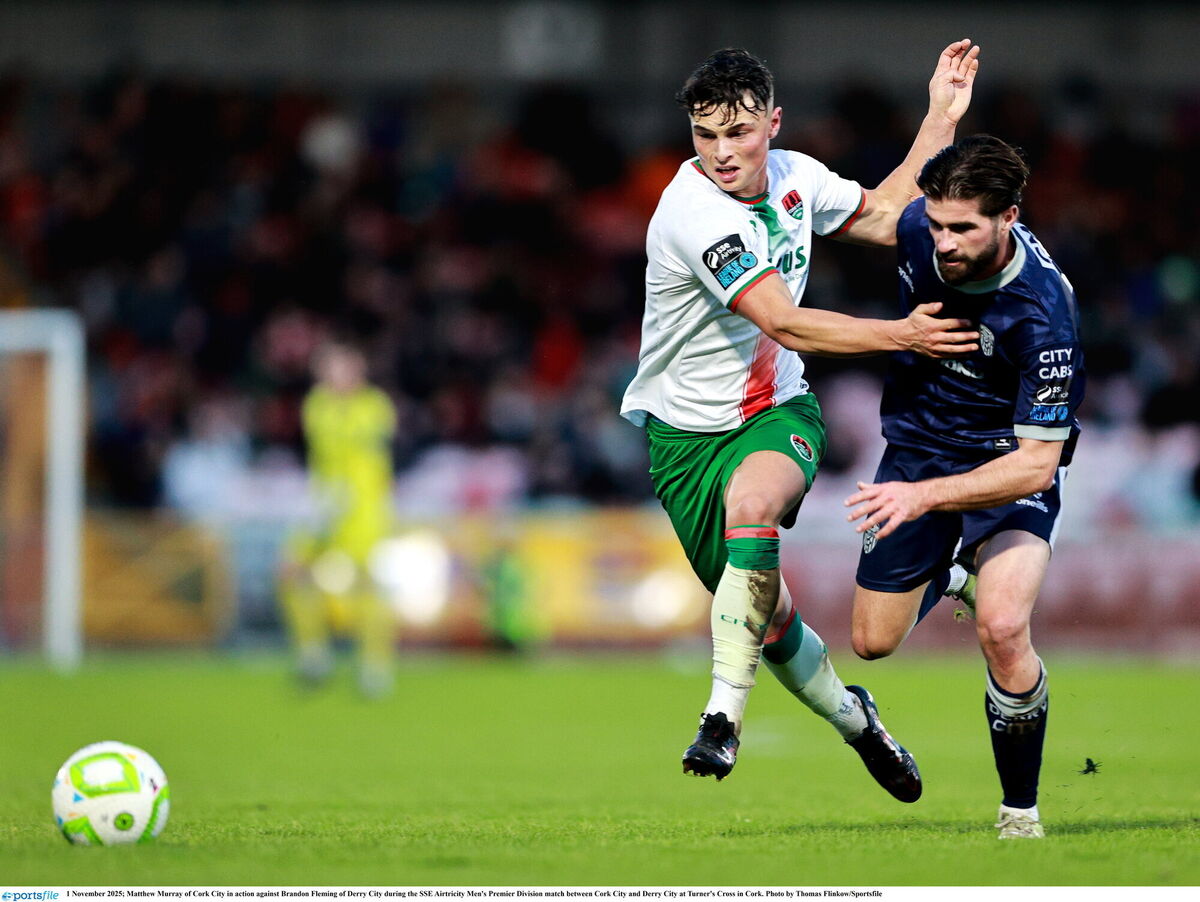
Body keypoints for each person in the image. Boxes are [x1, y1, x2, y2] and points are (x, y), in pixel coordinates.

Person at [619, 40, 981, 799]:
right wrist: (901, 335)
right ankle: (858, 721)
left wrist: (939, 116)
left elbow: (887, 216)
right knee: (769, 620)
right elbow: (783, 320)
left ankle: (721, 717)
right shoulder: (693, 214)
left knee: (752, 509)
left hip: (776, 413)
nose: (722, 152)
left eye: (739, 133)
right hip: (683, 445)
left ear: (773, 123)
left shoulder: (797, 178)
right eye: (705, 134)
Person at [845, 135, 1085, 837]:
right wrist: (939, 114)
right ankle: (954, 573)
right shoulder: (923, 224)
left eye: (963, 227)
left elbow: (1038, 465)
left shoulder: (1044, 317)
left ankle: (1019, 812)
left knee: (1005, 626)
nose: (942, 241)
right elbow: (863, 217)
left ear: (1008, 217)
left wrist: (923, 500)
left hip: (1007, 466)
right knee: (871, 643)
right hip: (917, 451)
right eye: (937, 223)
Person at [278, 339, 399, 697]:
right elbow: (330, 450)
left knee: (369, 586)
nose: (334, 376)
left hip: (364, 509)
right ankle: (313, 655)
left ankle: (374, 667)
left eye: (341, 368)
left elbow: (361, 445)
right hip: (324, 505)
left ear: (358, 370)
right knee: (291, 572)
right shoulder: (317, 405)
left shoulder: (375, 406)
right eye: (328, 369)